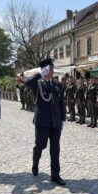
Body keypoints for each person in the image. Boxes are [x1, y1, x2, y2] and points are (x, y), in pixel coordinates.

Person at [25, 58, 66, 186]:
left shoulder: (57, 84)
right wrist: (40, 74)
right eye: (50, 68)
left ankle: (55, 176)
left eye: (52, 68)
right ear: (44, 70)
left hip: (55, 122)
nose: (53, 71)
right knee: (40, 146)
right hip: (42, 122)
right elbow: (27, 83)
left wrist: (63, 119)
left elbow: (61, 103)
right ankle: (35, 164)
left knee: (55, 149)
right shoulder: (37, 83)